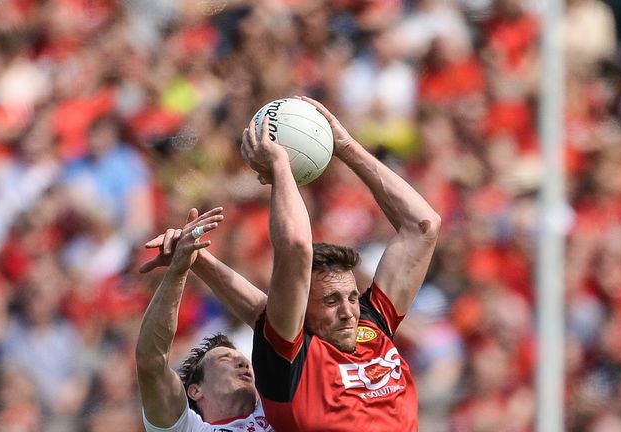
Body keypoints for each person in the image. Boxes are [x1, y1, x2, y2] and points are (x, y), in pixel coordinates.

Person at [142, 96, 440, 431]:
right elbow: (294, 249)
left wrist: (345, 147)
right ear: (302, 310)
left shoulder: (370, 324)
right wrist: (281, 166)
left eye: (352, 297)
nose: (348, 311)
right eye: (331, 300)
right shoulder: (292, 360)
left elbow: (423, 227)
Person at [135, 207, 273, 432]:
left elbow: (269, 320)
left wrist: (196, 257)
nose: (243, 363)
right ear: (195, 390)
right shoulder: (189, 429)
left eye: (243, 360)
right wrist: (178, 270)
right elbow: (151, 362)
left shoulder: (279, 411)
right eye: (225, 359)